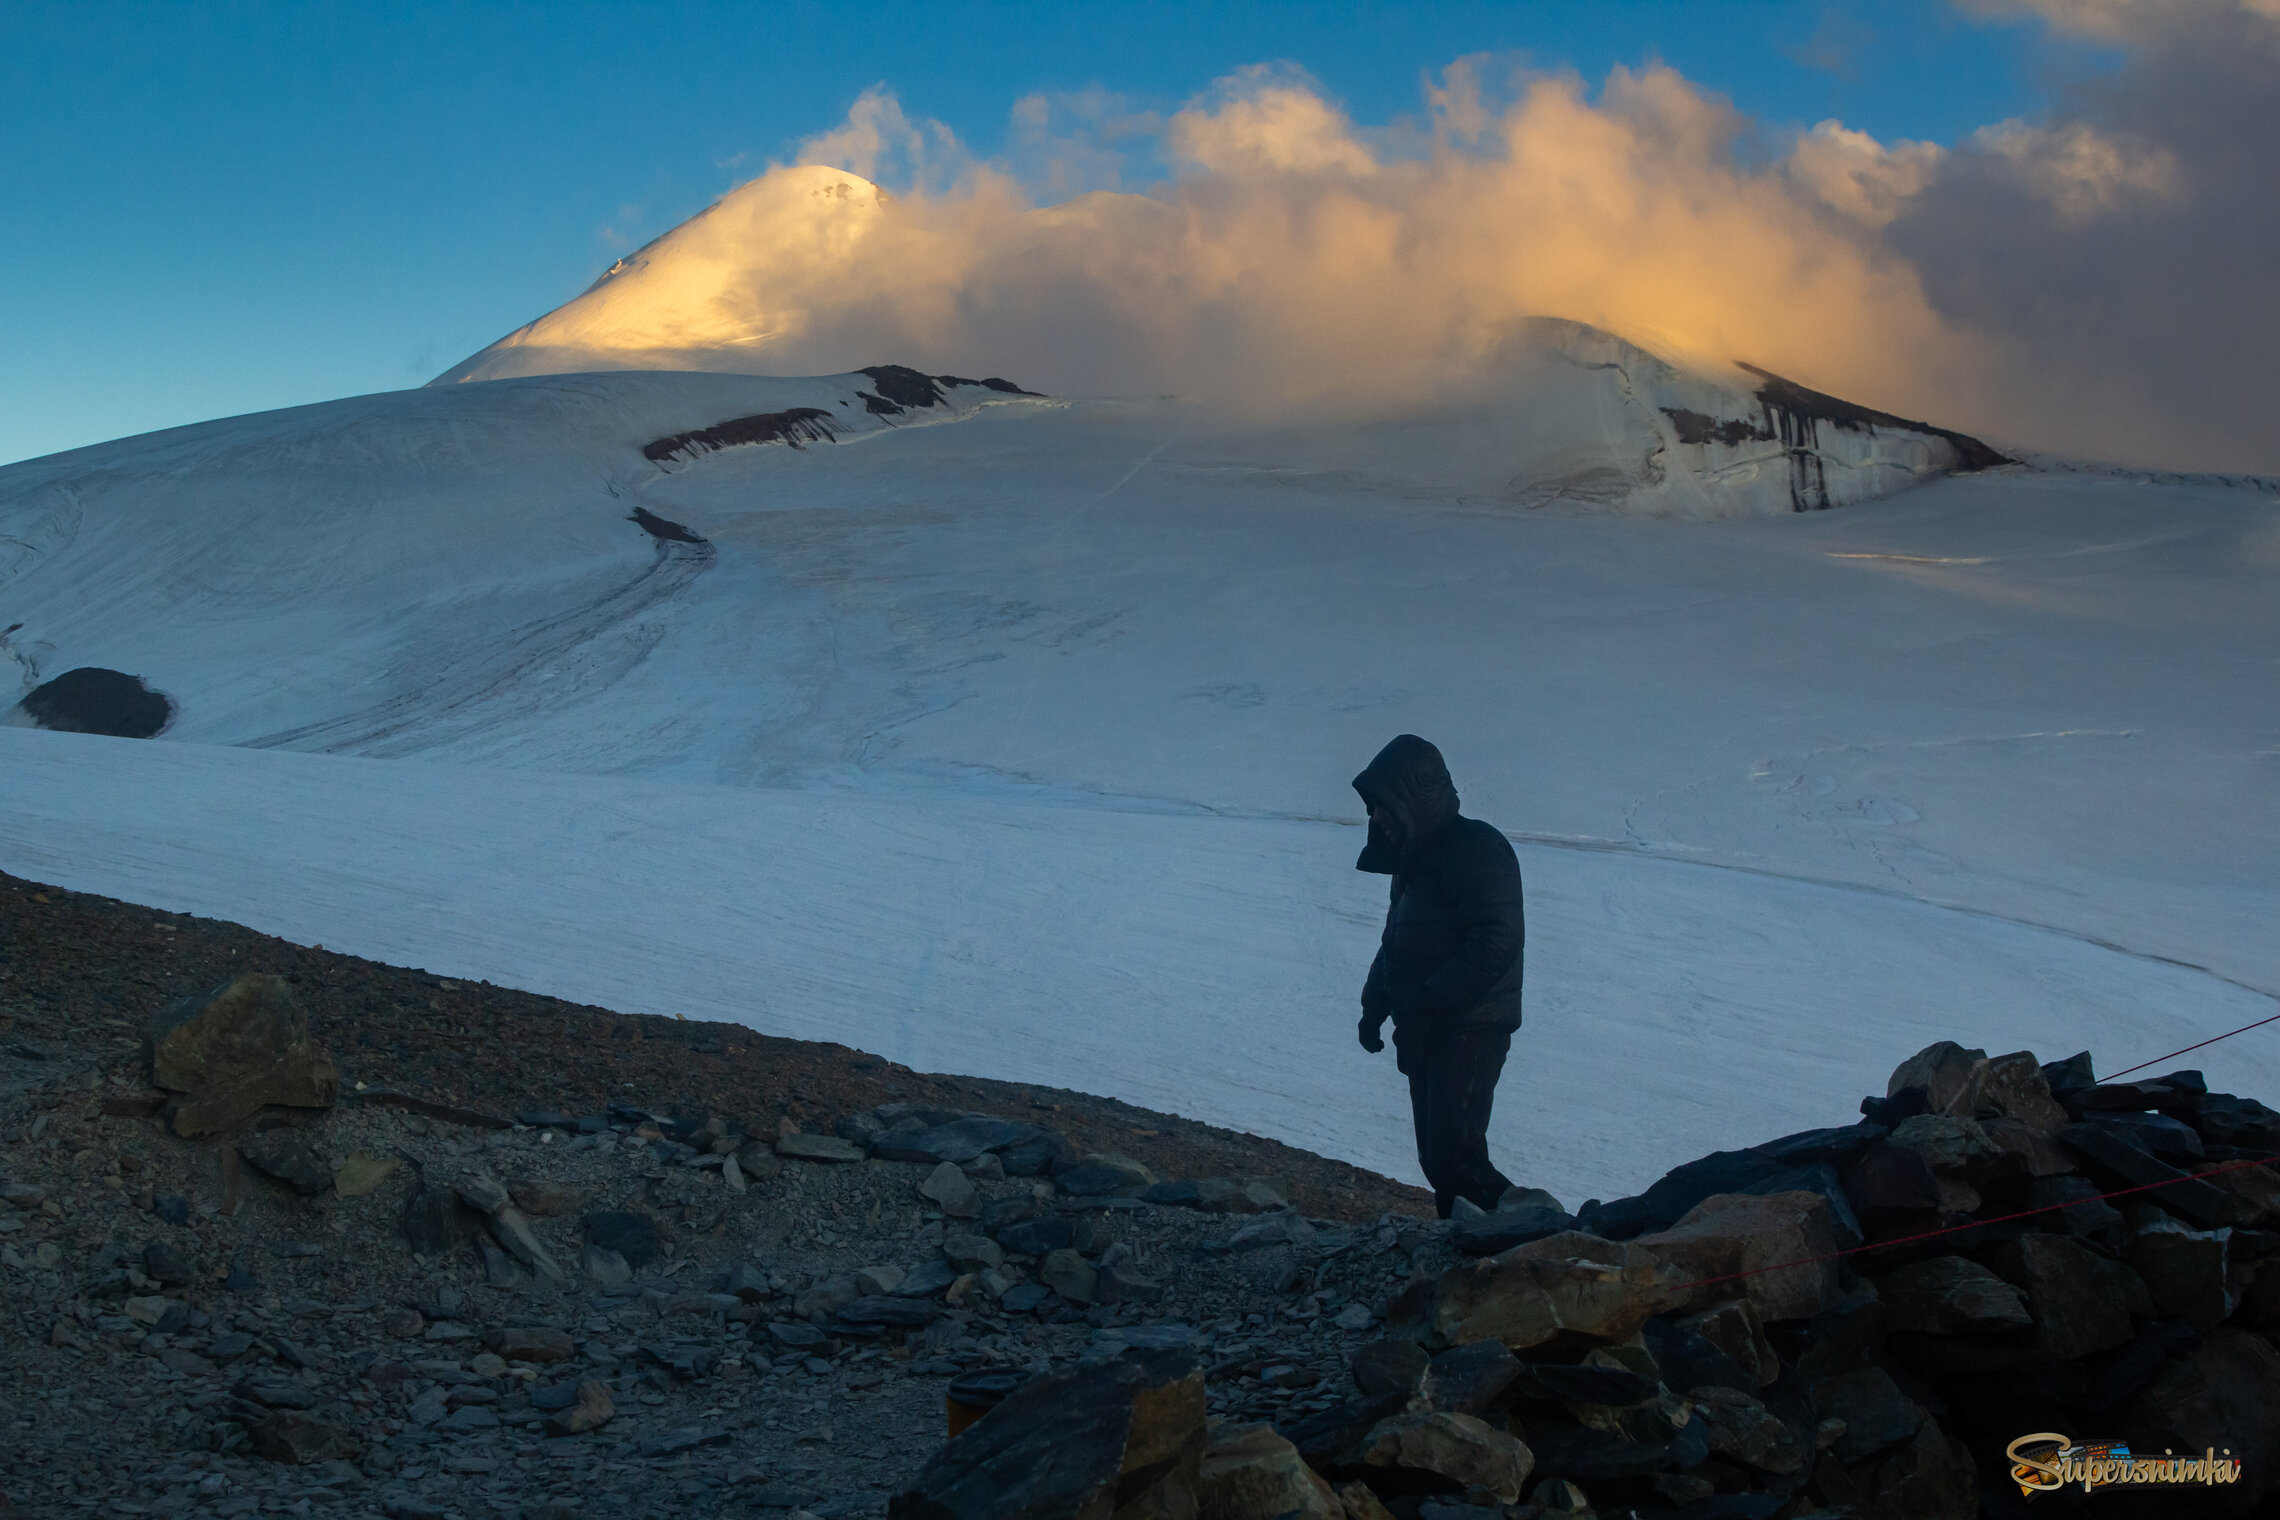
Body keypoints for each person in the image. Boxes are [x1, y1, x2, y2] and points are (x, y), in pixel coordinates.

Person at [1352, 734, 1524, 1218]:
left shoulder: (1477, 849)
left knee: (1457, 1156)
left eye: (1382, 805)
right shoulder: (1413, 863)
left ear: (1411, 800)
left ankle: (1536, 1238)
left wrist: (1429, 1004)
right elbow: (1395, 945)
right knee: (1438, 1159)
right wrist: (1374, 1008)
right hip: (1427, 1026)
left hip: (1471, 1026)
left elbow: (1496, 939)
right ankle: (1465, 1251)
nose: (1376, 818)